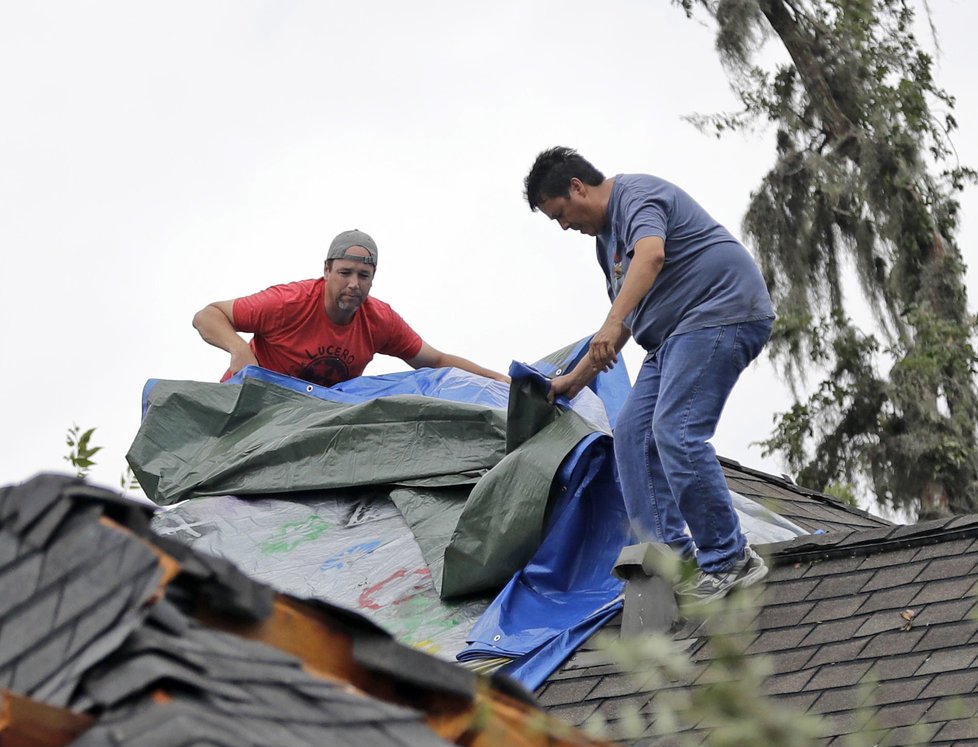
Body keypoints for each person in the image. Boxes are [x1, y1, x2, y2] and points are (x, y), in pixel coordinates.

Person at [523, 147, 775, 602]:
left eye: (561, 213)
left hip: (720, 311)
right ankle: (668, 563)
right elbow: (627, 315)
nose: (564, 226)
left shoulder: (636, 195)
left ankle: (730, 558)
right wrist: (574, 380)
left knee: (675, 430)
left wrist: (610, 323)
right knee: (632, 435)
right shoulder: (607, 244)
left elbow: (652, 256)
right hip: (670, 339)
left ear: (578, 187)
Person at [193, 230, 507, 387]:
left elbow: (436, 360)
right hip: (248, 409)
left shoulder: (379, 320)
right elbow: (208, 315)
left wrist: (503, 382)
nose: (354, 283)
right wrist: (238, 349)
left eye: (363, 276)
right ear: (327, 271)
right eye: (345, 273)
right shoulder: (289, 303)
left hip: (309, 424)